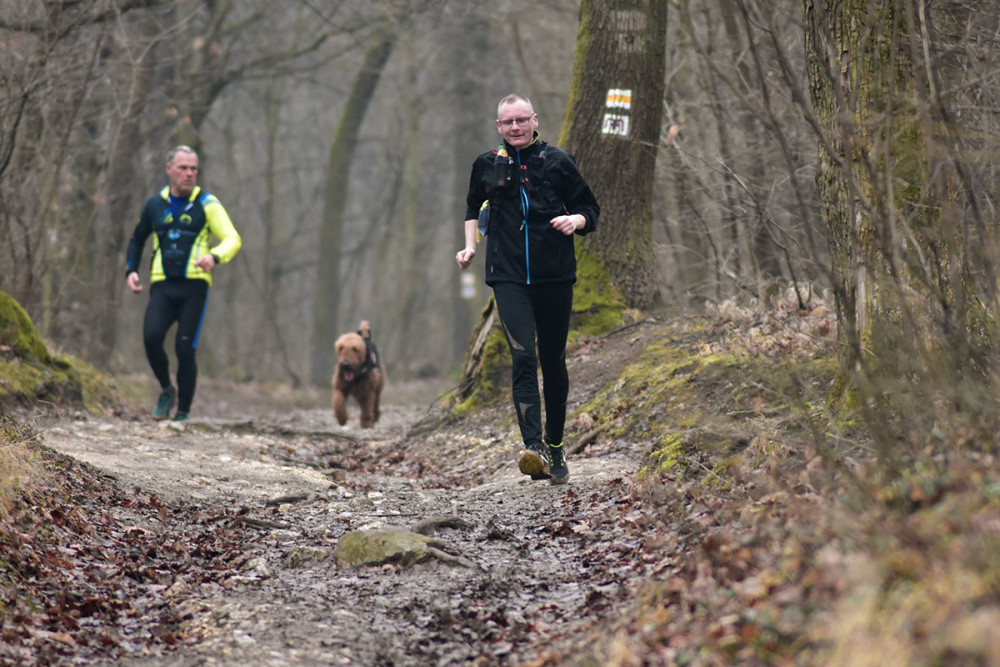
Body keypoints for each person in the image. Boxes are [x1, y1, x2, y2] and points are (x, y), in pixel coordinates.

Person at [456, 93, 600, 485]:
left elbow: (592, 210)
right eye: (508, 122)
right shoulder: (487, 164)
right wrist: (470, 246)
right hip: (508, 277)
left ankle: (555, 445)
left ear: (535, 120)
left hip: (555, 276)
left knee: (552, 362)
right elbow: (472, 207)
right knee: (523, 358)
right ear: (498, 126)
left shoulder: (558, 162)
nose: (515, 127)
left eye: (521, 120)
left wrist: (575, 220)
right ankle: (532, 448)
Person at [125, 145, 242, 422]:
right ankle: (167, 390)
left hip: (194, 287)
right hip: (163, 285)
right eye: (183, 168)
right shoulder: (155, 204)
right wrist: (130, 270)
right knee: (152, 338)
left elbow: (232, 238)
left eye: (194, 169)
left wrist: (215, 256)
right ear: (169, 169)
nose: (190, 174)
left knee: (184, 348)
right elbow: (137, 238)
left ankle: (184, 413)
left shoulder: (208, 203)